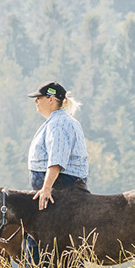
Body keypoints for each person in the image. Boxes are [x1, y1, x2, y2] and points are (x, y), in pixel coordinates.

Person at [28, 80, 89, 211]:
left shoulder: (59, 124)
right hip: (61, 186)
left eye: (39, 98)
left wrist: (46, 189)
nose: (35, 101)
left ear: (51, 99)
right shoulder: (59, 121)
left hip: (61, 187)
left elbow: (57, 160)